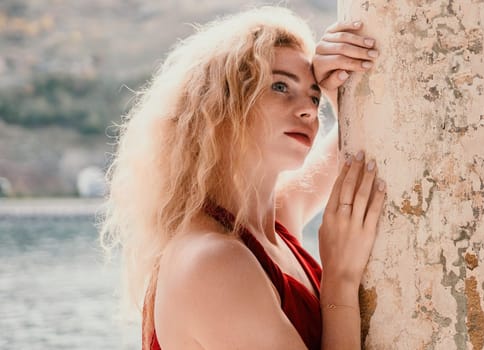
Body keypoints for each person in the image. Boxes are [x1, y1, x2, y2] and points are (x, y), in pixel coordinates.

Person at [99, 6, 386, 350]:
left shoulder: (271, 228)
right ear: (220, 105)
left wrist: (338, 87)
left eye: (313, 96)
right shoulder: (211, 263)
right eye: (280, 86)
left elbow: (358, 154)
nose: (310, 109)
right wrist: (340, 279)